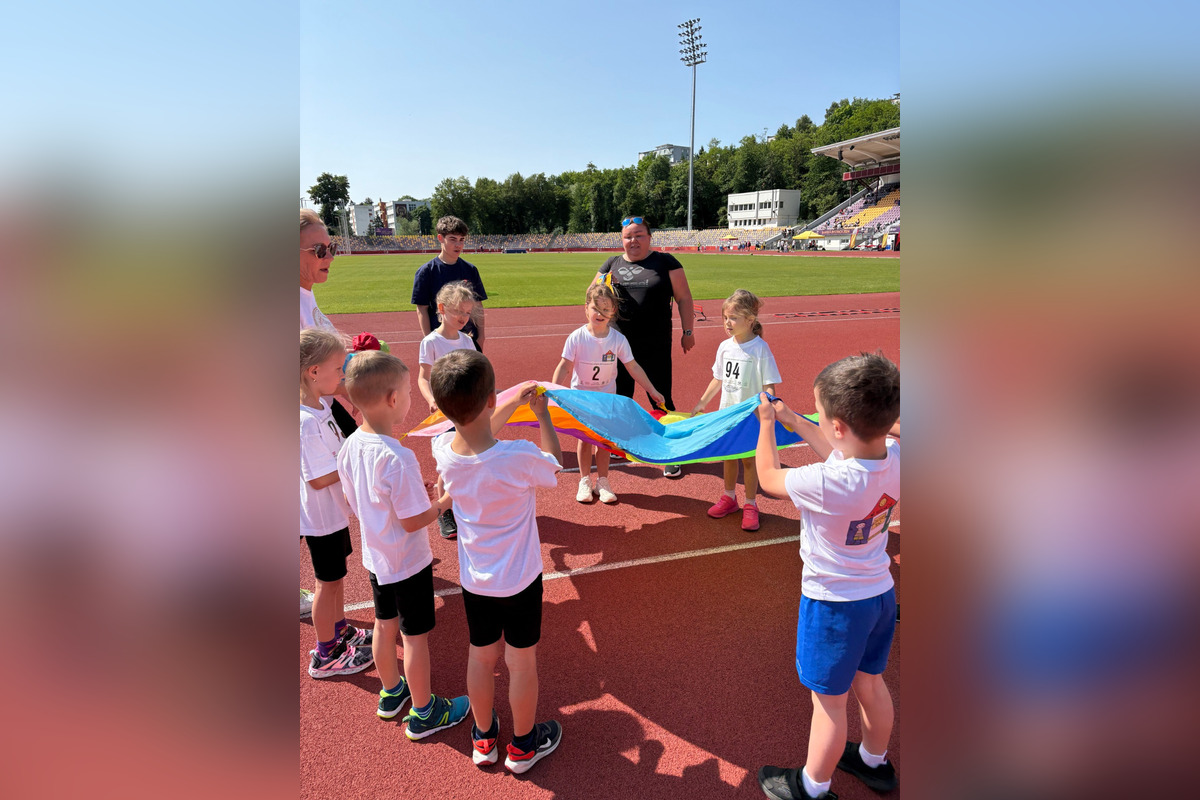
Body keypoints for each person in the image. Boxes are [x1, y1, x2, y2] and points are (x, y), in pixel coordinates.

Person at [752, 352, 901, 800]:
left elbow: (767, 477)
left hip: (834, 605)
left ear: (838, 425)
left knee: (829, 703)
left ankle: (811, 788)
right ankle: (875, 762)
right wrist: (796, 421)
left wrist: (766, 423)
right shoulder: (896, 456)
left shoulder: (823, 483)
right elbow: (844, 452)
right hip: (879, 595)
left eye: (819, 412)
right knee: (870, 683)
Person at [429, 351, 564, 773]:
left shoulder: (443, 451)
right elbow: (554, 466)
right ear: (490, 399)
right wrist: (541, 416)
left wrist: (509, 402)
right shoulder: (519, 456)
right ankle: (523, 746)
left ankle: (484, 738)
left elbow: (474, 432)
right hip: (521, 580)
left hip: (476, 582)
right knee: (521, 662)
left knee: (481, 657)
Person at [336, 349, 471, 737]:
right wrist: (441, 503)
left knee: (384, 624)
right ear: (393, 400)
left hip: (376, 556)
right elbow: (413, 521)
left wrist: (412, 499)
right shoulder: (398, 457)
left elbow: (358, 499)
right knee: (415, 637)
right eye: (409, 393)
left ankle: (392, 691)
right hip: (407, 562)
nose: (411, 400)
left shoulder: (349, 447)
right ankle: (426, 711)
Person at [594, 215, 695, 478]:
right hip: (617, 345)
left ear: (649, 237)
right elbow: (591, 296)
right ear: (621, 240)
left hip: (655, 342)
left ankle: (670, 452)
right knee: (619, 398)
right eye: (628, 236)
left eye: (639, 235)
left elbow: (683, 298)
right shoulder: (611, 264)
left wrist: (688, 331)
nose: (633, 240)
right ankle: (619, 445)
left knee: (661, 397)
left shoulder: (665, 262)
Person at [300, 328, 374, 679]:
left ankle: (340, 630)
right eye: (337, 367)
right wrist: (355, 466)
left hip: (332, 512)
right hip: (320, 516)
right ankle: (325, 653)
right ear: (313, 371)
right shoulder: (303, 421)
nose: (342, 374)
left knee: (338, 577)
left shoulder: (322, 404)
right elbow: (317, 477)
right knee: (326, 583)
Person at [551, 281, 664, 505]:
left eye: (606, 309)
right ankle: (584, 480)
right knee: (584, 440)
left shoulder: (618, 340)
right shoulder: (577, 337)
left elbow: (633, 367)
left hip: (607, 399)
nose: (600, 314)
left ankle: (603, 481)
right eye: (596, 308)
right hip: (583, 398)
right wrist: (552, 390)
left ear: (613, 311)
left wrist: (651, 389)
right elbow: (564, 366)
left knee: (604, 441)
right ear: (586, 308)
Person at [301, 208, 357, 617]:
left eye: (331, 246)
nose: (329, 255)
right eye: (320, 248)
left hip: (321, 404)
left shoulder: (306, 294)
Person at [691, 290, 781, 532]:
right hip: (728, 415)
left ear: (750, 320)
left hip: (750, 417)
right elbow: (717, 379)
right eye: (725, 318)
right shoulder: (724, 347)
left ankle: (751, 504)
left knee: (749, 462)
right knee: (729, 459)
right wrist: (702, 402)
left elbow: (769, 382)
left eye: (732, 318)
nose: (727, 323)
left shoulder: (760, 348)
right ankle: (729, 498)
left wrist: (769, 404)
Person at [417, 280, 480, 540]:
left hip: (466, 411)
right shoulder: (431, 342)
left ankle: (467, 504)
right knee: (446, 464)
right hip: (443, 414)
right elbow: (423, 377)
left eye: (468, 313)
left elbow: (477, 373)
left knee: (470, 457)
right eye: (459, 312)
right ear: (442, 308)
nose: (464, 318)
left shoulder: (467, 341)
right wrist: (432, 399)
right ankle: (444, 511)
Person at [412, 216, 487, 351]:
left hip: (469, 338)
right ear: (440, 238)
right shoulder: (426, 272)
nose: (458, 245)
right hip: (441, 339)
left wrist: (481, 336)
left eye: (461, 240)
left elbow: (478, 305)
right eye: (453, 239)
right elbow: (422, 309)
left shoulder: (470, 270)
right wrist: (429, 339)